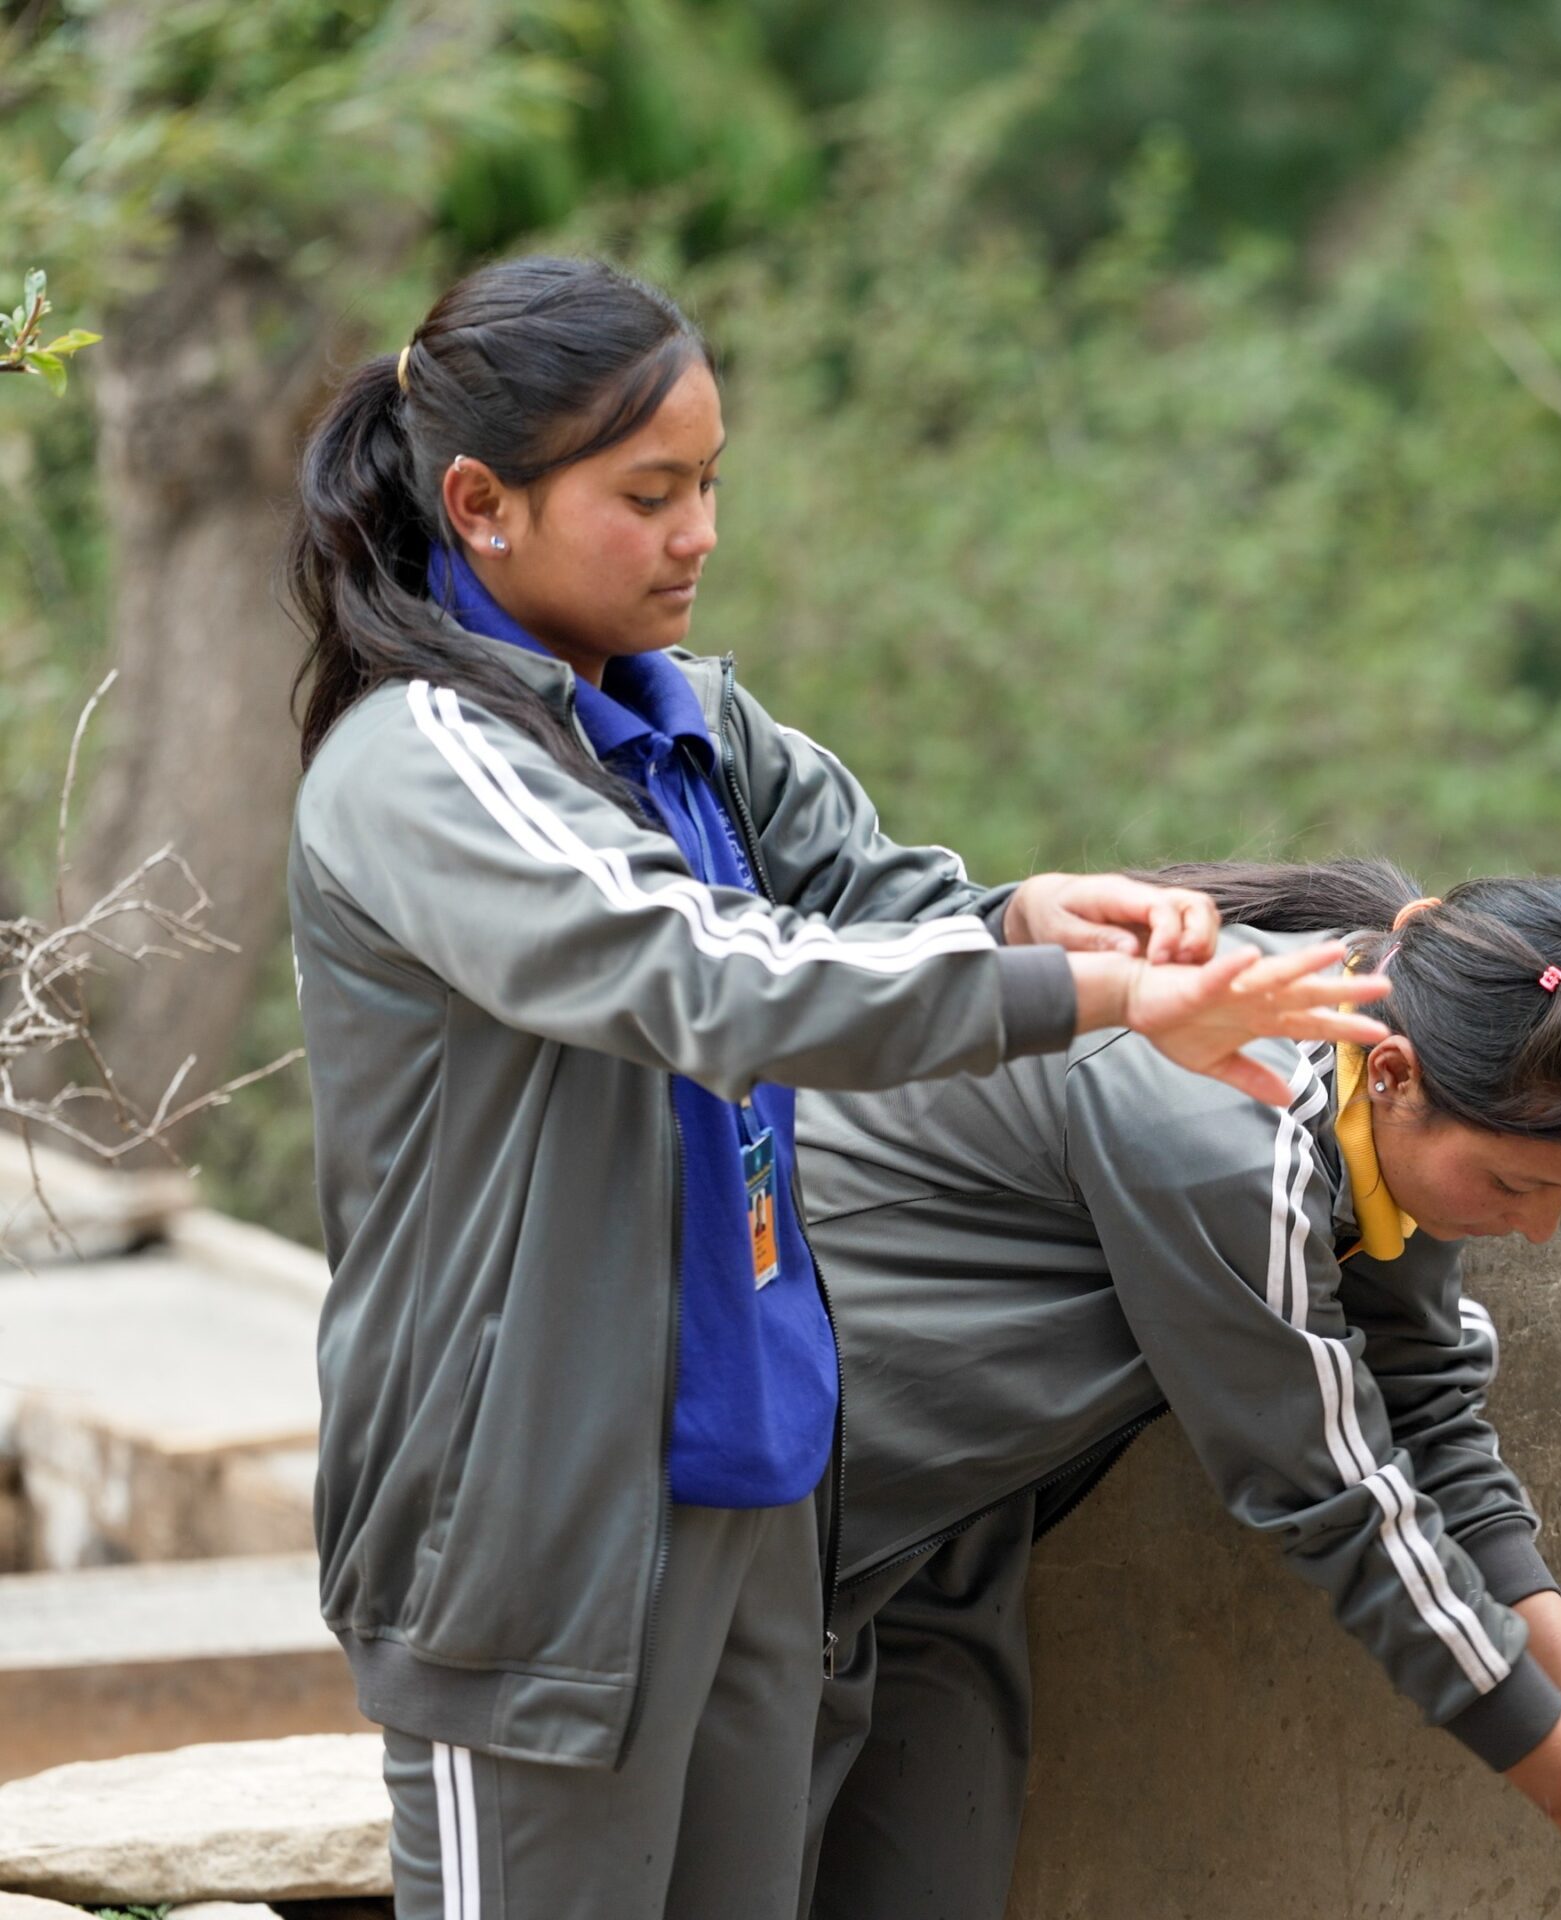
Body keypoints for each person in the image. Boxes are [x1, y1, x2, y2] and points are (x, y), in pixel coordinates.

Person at [282, 256, 1389, 1920]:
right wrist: (1094, 993)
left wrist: (1026, 914)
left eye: (710, 485)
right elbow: (709, 978)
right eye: (648, 494)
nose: (699, 534)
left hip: (744, 1483)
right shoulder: (423, 764)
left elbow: (862, 905)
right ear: (480, 504)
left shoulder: (685, 724)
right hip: (531, 1525)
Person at [795, 860, 1561, 1920]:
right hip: (781, 1510)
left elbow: (1422, 1413)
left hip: (946, 1532)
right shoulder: (1226, 1126)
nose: (1537, 1230)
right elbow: (1334, 1494)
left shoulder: (1377, 1115)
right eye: (1515, 1184)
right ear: (1395, 1073)